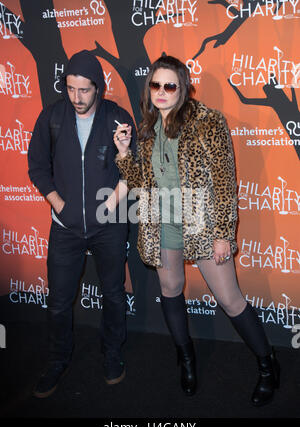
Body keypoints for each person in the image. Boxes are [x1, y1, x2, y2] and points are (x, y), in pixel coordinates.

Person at [113, 54, 280, 406]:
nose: (161, 91)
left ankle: (268, 366)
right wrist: (126, 154)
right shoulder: (147, 129)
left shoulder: (208, 122)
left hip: (203, 225)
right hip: (162, 225)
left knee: (230, 298)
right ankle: (186, 360)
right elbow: (143, 184)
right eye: (155, 85)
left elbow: (223, 182)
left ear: (184, 88)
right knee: (171, 288)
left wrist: (224, 233)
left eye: (169, 85)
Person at [28, 50, 136, 398]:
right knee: (59, 301)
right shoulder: (52, 118)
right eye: (71, 89)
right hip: (65, 226)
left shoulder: (117, 118)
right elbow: (37, 166)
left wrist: (111, 203)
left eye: (84, 90)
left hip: (109, 226)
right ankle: (57, 360)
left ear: (98, 88)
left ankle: (113, 353)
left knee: (114, 295)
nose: (77, 97)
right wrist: (60, 204)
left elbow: (131, 169)